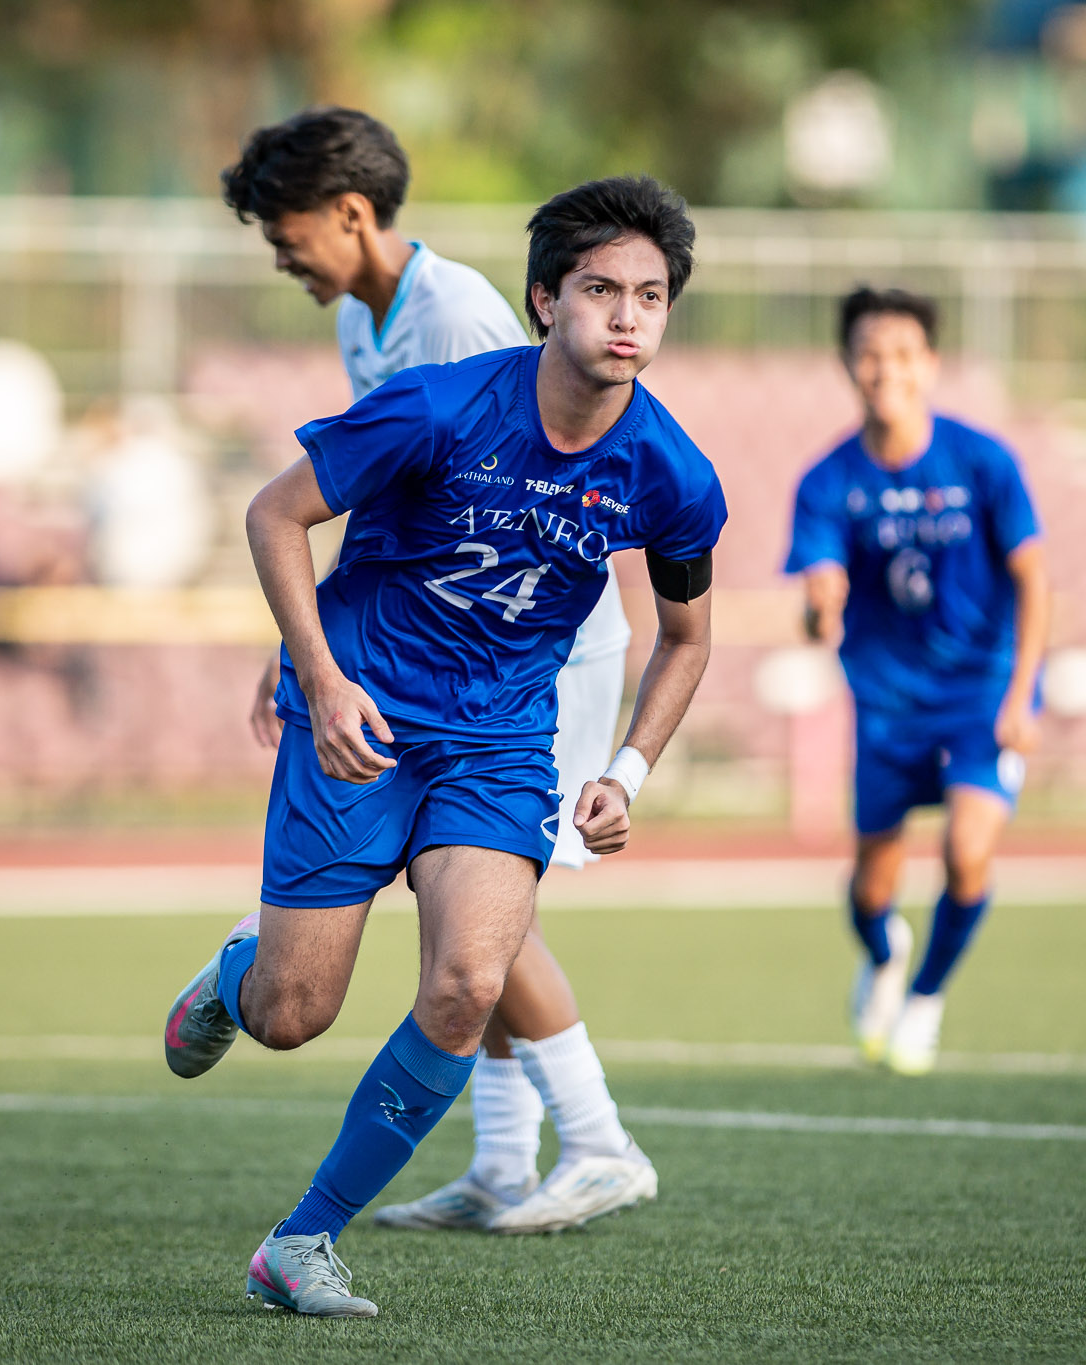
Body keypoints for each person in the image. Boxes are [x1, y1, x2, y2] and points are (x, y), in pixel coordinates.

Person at [165, 175, 725, 1317]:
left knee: (469, 981)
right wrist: (316, 680)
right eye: (600, 289)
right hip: (360, 725)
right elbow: (273, 514)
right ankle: (239, 974)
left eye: (651, 296)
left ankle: (303, 1241)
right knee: (291, 1016)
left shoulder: (671, 473)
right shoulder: (436, 407)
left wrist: (624, 770)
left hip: (501, 742)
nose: (627, 316)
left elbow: (684, 637)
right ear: (542, 301)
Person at [220, 107, 647, 1236]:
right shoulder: (371, 317)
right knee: (452, 899)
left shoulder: (454, 318)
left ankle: (600, 1143)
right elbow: (385, 512)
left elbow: (541, 487)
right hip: (433, 652)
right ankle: (505, 1160)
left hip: (526, 650)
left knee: (486, 912)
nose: (281, 256)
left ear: (349, 213)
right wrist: (306, 656)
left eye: (287, 232)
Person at [784, 287, 1049, 1076]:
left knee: (968, 851)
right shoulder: (827, 480)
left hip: (981, 692)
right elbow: (816, 592)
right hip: (887, 703)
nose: (885, 370)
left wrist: (1022, 691)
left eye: (902, 354)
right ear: (847, 364)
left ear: (929, 365)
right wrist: (818, 608)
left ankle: (925, 1000)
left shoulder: (984, 461)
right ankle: (885, 949)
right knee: (873, 885)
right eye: (869, 354)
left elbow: (1035, 578)